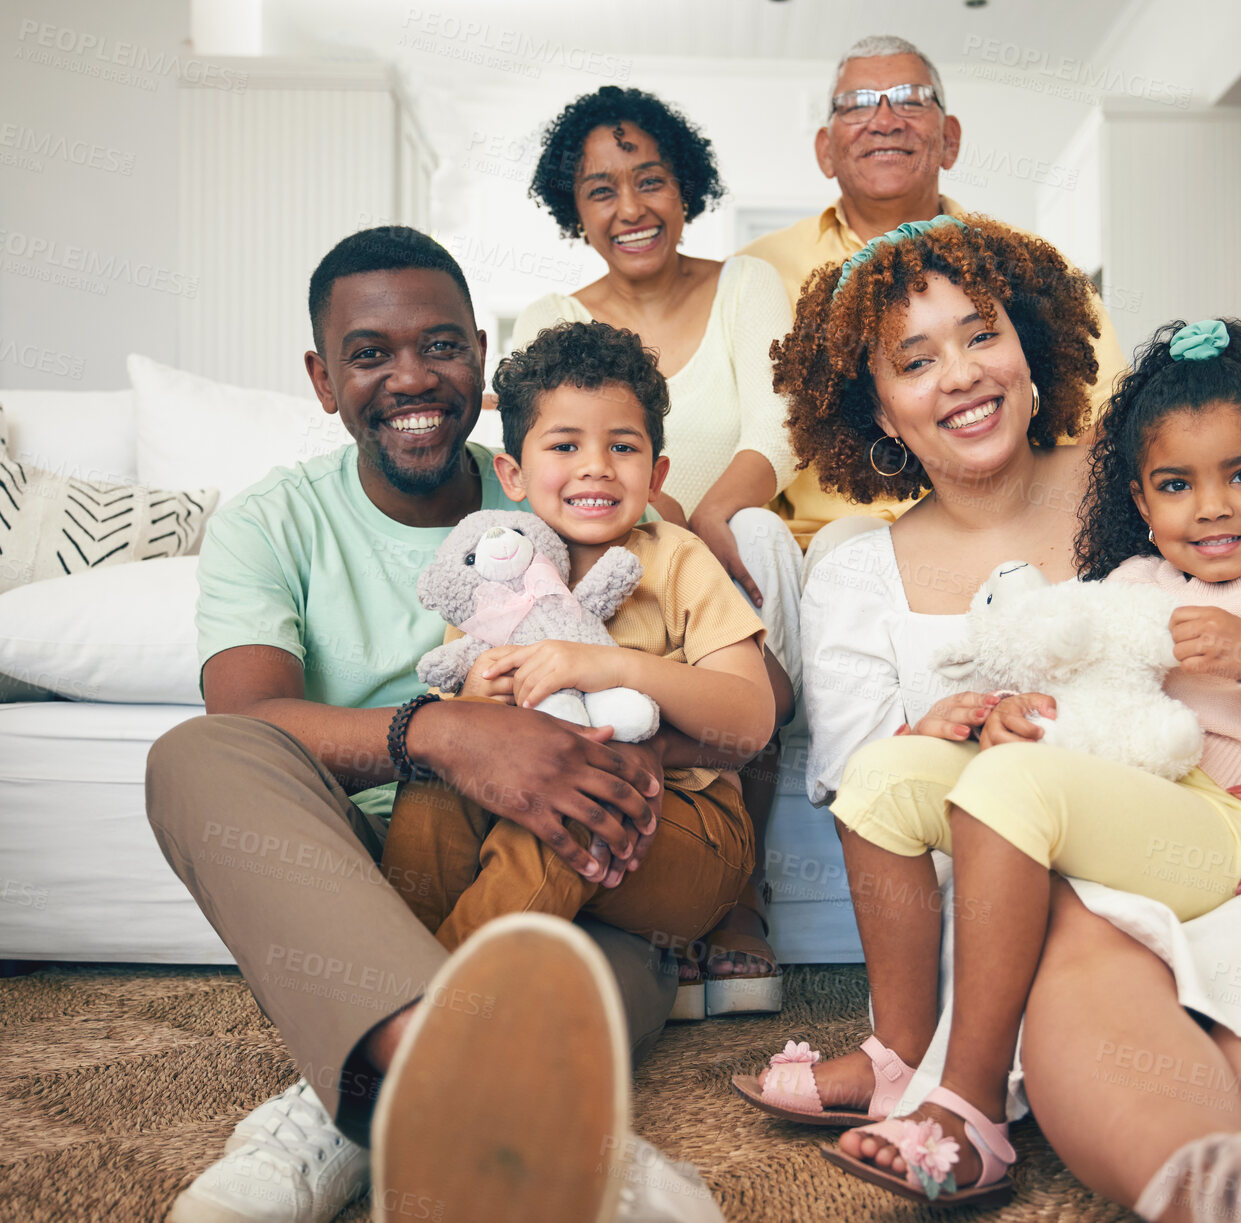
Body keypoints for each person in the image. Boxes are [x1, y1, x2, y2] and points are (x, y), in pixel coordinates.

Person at [735, 218, 1241, 1221]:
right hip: (1049, 902)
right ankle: (1191, 1182)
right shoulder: (863, 566)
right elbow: (882, 773)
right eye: (916, 359)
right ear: (872, 404)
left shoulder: (1152, 473)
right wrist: (967, 721)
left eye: (981, 333)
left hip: (1217, 839)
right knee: (1092, 965)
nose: (959, 374)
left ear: (1033, 346)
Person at [148, 227, 727, 1223]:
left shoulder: (589, 492)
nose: (412, 377)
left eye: (444, 345)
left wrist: (625, 750)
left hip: (585, 861)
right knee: (194, 755)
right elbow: (250, 714)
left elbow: (741, 700)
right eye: (370, 353)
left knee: (597, 931)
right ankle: (507, 1105)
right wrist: (448, 736)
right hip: (361, 876)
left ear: (485, 362)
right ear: (322, 378)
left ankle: (358, 1090)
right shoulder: (272, 521)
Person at [515, 85, 802, 1012]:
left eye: (651, 181)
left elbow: (780, 425)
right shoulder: (552, 313)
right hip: (614, 553)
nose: (630, 208)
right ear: (575, 210)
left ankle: (739, 892)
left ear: (687, 189)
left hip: (731, 539)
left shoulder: (746, 286)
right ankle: (663, 879)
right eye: (601, 190)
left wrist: (705, 521)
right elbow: (554, 460)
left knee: (759, 532)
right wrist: (657, 514)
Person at [381, 320, 773, 979]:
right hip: (542, 813)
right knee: (434, 787)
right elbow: (464, 729)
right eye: (565, 444)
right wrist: (480, 698)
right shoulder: (491, 566)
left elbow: (749, 721)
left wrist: (611, 664)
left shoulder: (677, 559)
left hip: (686, 837)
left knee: (582, 792)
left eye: (622, 446)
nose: (595, 465)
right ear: (511, 472)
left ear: (656, 474)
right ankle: (400, 985)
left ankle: (437, 1018)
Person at [738, 33, 1129, 560]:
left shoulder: (1022, 262)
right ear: (824, 150)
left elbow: (1104, 415)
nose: (884, 119)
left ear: (950, 138)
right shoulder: (757, 271)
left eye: (910, 98)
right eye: (855, 105)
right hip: (830, 550)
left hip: (1013, 532)